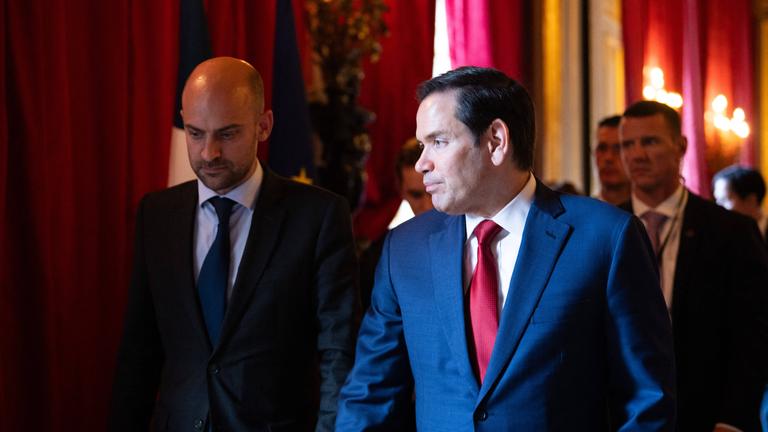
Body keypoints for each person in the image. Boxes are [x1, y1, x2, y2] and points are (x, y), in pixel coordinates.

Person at [336, 66, 676, 431]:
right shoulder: (404, 249)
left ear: (496, 141)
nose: (422, 163)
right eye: (422, 145)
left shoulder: (606, 237)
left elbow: (647, 401)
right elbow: (370, 397)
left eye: (438, 142)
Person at [109, 57, 358, 432]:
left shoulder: (318, 217)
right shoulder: (157, 215)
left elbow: (339, 354)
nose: (209, 152)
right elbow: (139, 352)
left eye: (226, 134)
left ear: (263, 126)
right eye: (195, 133)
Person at [618, 100, 768, 431]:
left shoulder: (731, 231)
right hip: (625, 417)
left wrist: (732, 419)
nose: (637, 155)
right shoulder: (602, 227)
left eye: (650, 141)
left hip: (708, 414)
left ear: (680, 146)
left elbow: (754, 334)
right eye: (628, 144)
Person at [359, 138, 434, 311]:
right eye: (416, 195)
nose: (429, 205)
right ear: (400, 190)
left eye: (433, 191)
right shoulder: (383, 253)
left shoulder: (473, 239)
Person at [712, 165, 768, 247]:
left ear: (751, 201)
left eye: (724, 200)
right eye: (717, 200)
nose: (718, 207)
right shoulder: (716, 235)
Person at [594, 115, 631, 205]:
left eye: (618, 148)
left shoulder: (647, 216)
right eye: (602, 148)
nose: (608, 158)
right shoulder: (580, 214)